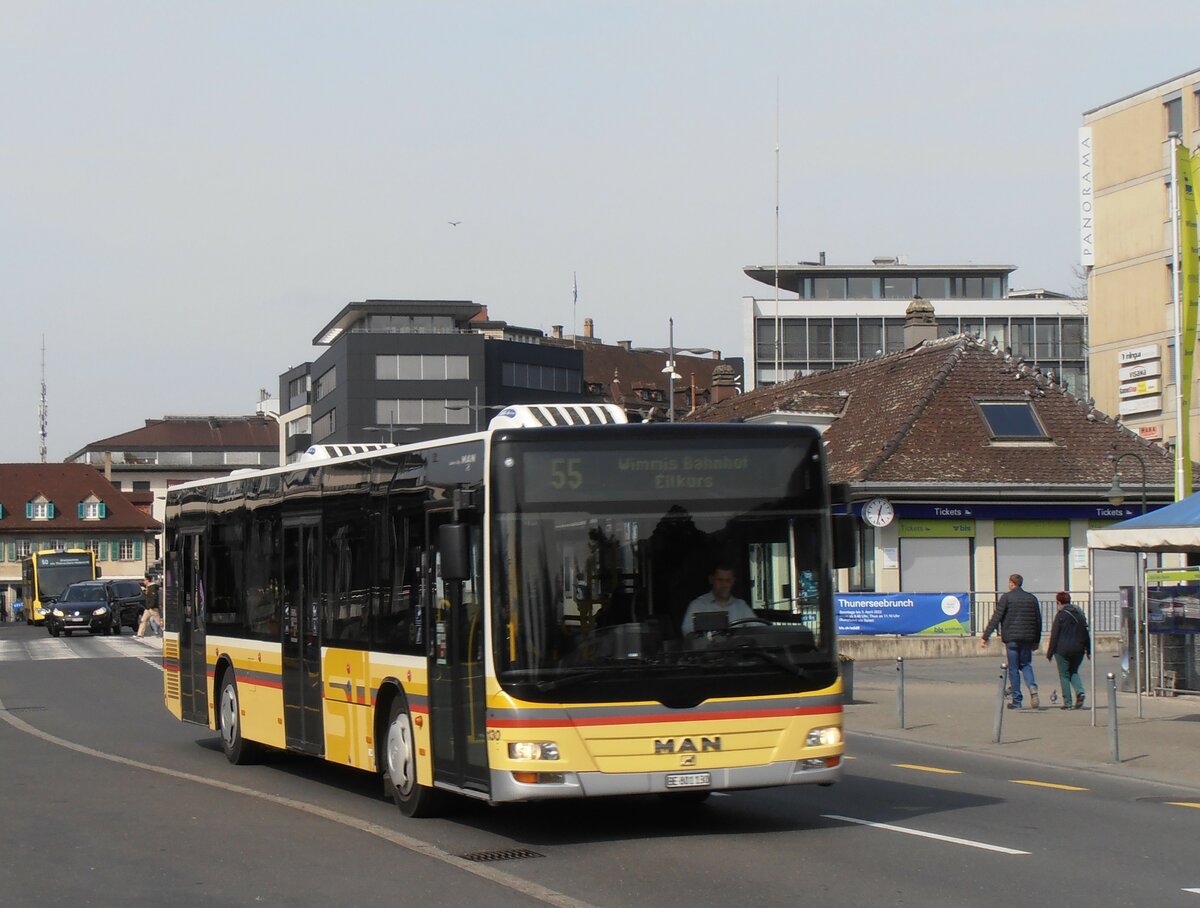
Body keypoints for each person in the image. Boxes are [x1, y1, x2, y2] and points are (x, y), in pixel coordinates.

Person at [981, 573, 1042, 709]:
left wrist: (985, 636)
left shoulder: (1007, 598)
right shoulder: (1032, 598)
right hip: (1027, 638)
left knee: (1013, 669)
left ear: (1011, 583)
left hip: (1012, 639)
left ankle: (1017, 700)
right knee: (1026, 665)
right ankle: (1032, 687)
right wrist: (1036, 640)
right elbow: (1038, 621)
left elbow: (996, 618)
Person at [1046, 591, 1091, 709]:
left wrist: (1050, 652)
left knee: (1064, 675)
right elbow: (1085, 632)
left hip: (1062, 649)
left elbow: (1055, 634)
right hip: (1079, 649)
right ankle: (1080, 692)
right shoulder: (1079, 614)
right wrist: (1088, 649)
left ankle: (1068, 702)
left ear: (1059, 602)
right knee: (1074, 671)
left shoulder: (1060, 615)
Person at [681, 565, 757, 635]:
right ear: (711, 580)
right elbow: (688, 632)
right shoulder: (697, 605)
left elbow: (757, 628)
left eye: (728, 580)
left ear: (733, 581)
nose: (724, 585)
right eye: (720, 580)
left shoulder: (741, 606)